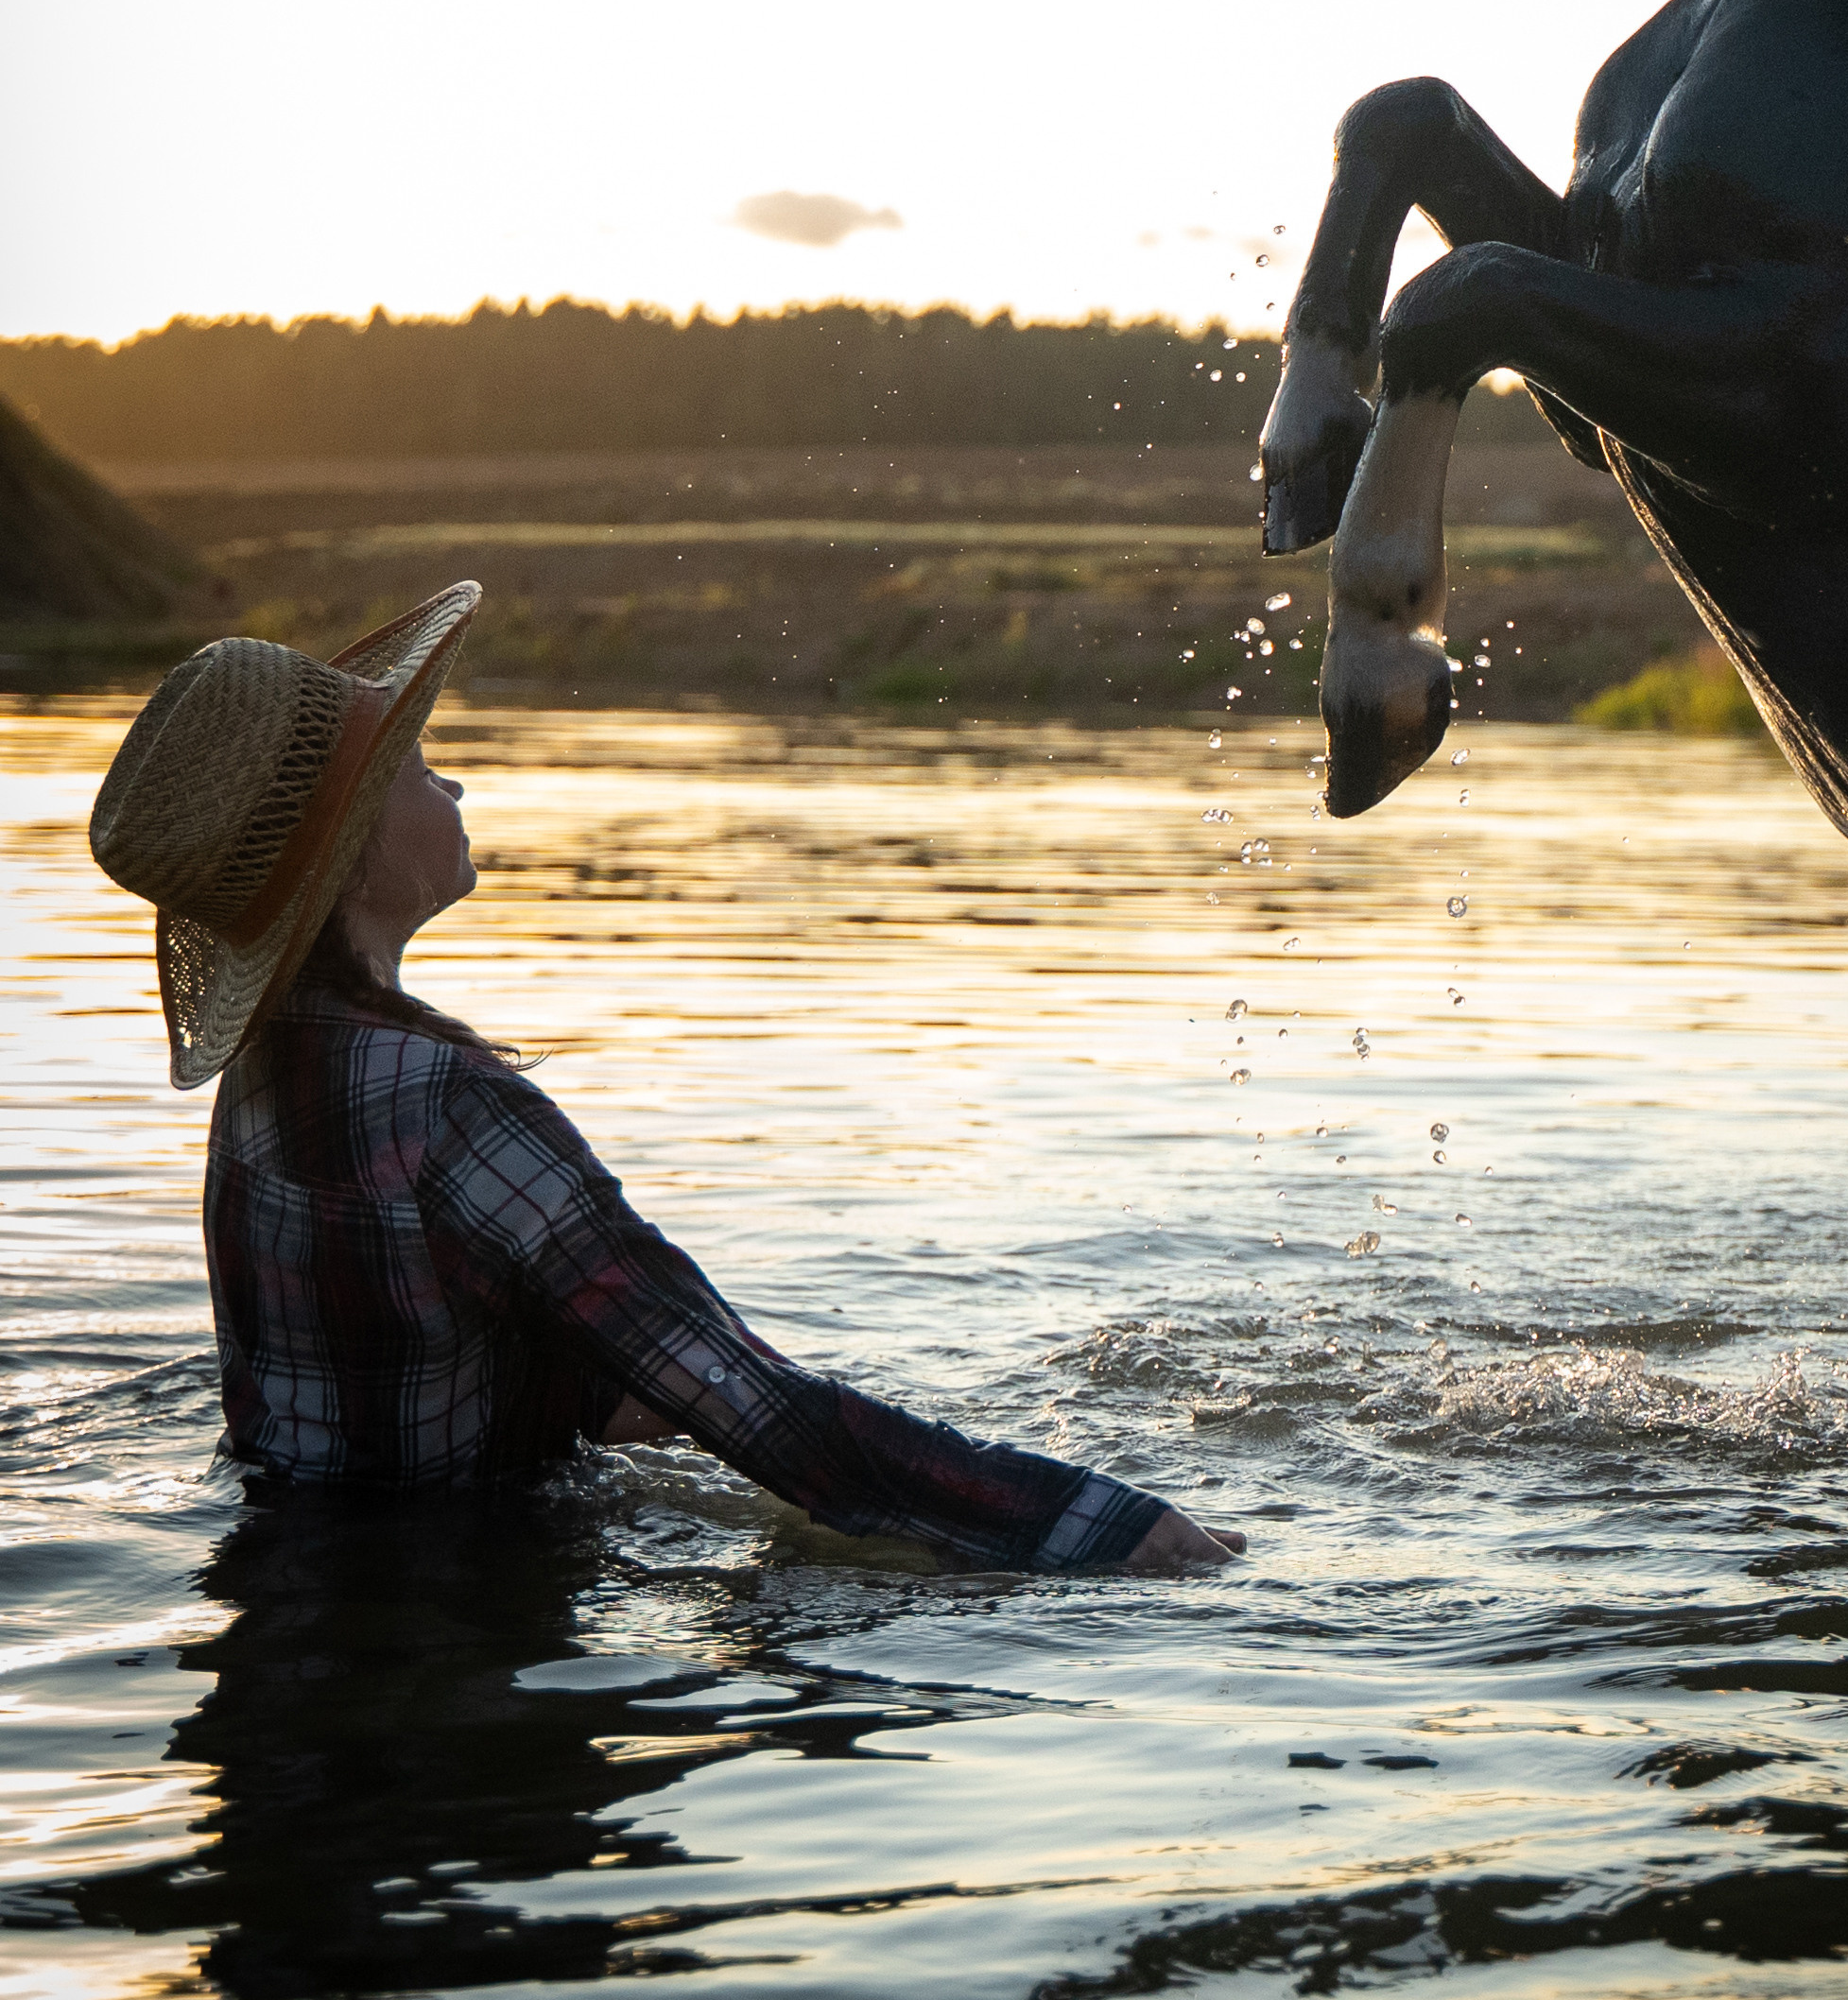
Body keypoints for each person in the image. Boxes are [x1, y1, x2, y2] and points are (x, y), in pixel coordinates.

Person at [91, 583, 1242, 1575]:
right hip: (464, 1601)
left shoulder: (268, 1072)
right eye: (420, 770)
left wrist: (609, 1386)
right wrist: (1107, 1526)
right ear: (351, 849)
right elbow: (755, 1404)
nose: (455, 790)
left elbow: (387, 1359)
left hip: (291, 1576)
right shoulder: (444, 1099)